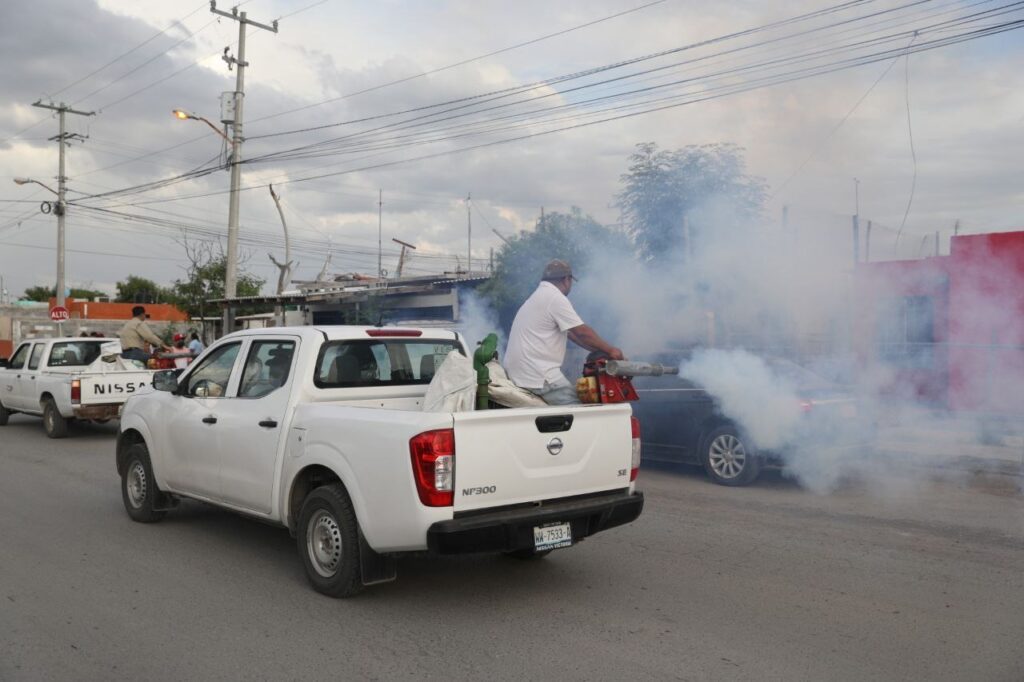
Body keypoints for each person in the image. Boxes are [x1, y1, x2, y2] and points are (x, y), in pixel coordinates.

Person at [504, 259, 624, 405]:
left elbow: (572, 334)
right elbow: (582, 332)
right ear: (566, 280)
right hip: (538, 375)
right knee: (581, 412)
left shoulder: (537, 297)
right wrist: (612, 351)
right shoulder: (554, 297)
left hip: (520, 373)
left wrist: (599, 349)